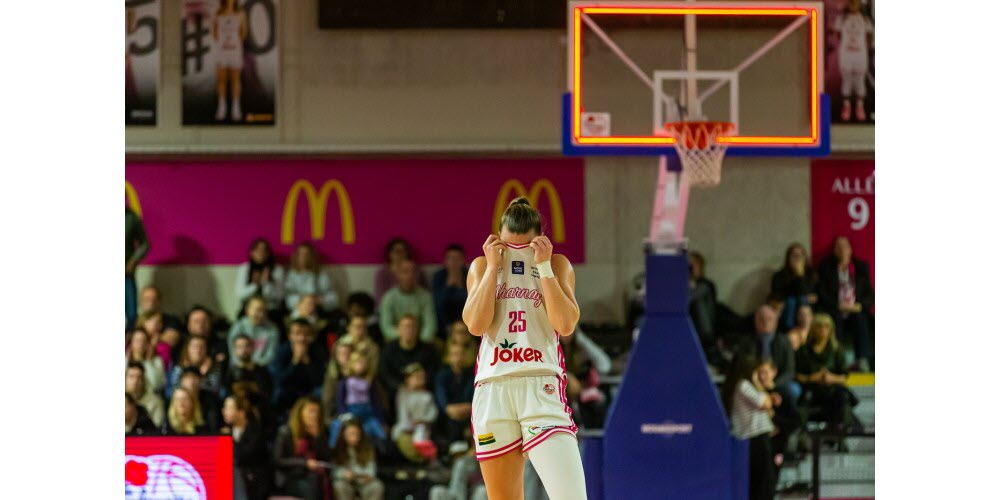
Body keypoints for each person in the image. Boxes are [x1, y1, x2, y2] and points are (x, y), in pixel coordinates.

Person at [463, 198, 586, 500]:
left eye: (525, 247)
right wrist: (493, 268)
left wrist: (542, 266)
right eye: (508, 247)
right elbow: (476, 325)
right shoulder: (482, 265)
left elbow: (566, 324)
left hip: (540, 385)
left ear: (539, 241)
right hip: (494, 388)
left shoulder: (556, 264)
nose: (515, 254)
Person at [722, 353, 777, 500]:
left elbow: (769, 411)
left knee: (764, 480)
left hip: (759, 437)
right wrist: (761, 386)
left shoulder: (743, 386)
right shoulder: (743, 385)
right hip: (754, 438)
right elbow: (764, 403)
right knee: (763, 481)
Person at [817, 236, 874, 371]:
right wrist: (838, 305)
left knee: (860, 319)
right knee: (833, 320)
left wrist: (859, 306)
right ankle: (839, 360)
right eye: (838, 247)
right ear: (834, 251)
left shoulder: (860, 267)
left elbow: (869, 293)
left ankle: (862, 360)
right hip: (836, 308)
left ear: (850, 249)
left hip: (855, 309)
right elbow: (822, 293)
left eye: (845, 246)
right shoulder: (826, 267)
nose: (842, 250)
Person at [796, 313, 859, 434]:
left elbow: (844, 376)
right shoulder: (804, 350)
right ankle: (803, 436)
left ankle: (840, 434)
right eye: (819, 327)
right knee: (804, 399)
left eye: (826, 327)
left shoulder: (836, 349)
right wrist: (812, 378)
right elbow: (796, 375)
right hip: (811, 388)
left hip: (832, 388)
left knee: (842, 397)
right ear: (813, 329)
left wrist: (831, 378)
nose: (822, 330)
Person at [273, 396, 334, 500]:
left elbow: (327, 458)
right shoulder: (286, 432)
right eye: (311, 411)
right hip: (292, 475)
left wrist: (318, 438)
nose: (314, 415)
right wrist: (305, 463)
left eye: (317, 412)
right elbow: (278, 460)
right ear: (300, 412)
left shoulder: (322, 431)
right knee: (312, 482)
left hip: (317, 475)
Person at [271, 320, 326, 417]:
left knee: (320, 391)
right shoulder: (282, 351)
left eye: (306, 334)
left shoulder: (317, 350)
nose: (302, 338)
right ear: (290, 336)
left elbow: (319, 380)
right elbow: (280, 380)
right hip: (289, 389)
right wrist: (295, 362)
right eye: (297, 333)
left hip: (309, 389)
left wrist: (307, 361)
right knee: (278, 392)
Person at [331, 352, 387, 446]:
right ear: (351, 364)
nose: (361, 365)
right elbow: (340, 399)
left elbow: (375, 401)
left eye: (363, 362)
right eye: (358, 362)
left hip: (367, 412)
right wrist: (343, 413)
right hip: (351, 411)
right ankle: (333, 449)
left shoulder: (369, 381)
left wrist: (381, 420)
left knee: (377, 430)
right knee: (337, 426)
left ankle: (381, 452)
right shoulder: (346, 380)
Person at [222, 395, 271, 500]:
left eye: (229, 408)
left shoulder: (256, 432)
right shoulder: (226, 431)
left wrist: (229, 440)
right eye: (224, 407)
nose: (224, 411)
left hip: (254, 482)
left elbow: (242, 457)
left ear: (241, 412)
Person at [379, 315, 439, 399]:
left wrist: (420, 384)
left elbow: (433, 372)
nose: (408, 330)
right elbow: (385, 374)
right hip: (396, 393)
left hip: (423, 391)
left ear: (417, 330)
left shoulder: (428, 350)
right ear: (398, 329)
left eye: (412, 326)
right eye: (405, 327)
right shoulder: (389, 350)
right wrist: (401, 387)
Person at [379, 260, 437, 343]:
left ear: (417, 275)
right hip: (396, 342)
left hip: (421, 342)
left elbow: (430, 325)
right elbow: (386, 327)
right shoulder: (388, 297)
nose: (410, 276)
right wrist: (406, 337)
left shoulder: (426, 297)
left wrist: (419, 341)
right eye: (405, 272)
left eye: (413, 272)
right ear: (398, 275)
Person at [392, 363, 439, 464]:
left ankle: (427, 458)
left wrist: (424, 420)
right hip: (407, 427)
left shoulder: (427, 395)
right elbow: (402, 413)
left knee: (422, 438)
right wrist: (408, 427)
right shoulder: (403, 394)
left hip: (423, 426)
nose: (420, 380)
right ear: (408, 379)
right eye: (416, 377)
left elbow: (433, 412)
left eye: (422, 377)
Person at [835, 0, 874, 122]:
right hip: (846, 55)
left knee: (859, 81)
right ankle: (846, 107)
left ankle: (859, 107)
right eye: (851, 2)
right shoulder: (841, 19)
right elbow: (838, 34)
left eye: (855, 2)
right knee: (846, 80)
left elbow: (869, 36)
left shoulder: (865, 20)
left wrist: (861, 48)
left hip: (860, 55)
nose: (853, 5)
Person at [332, 419, 386, 500]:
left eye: (356, 434)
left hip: (364, 483)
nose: (354, 437)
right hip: (346, 483)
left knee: (377, 486)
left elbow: (371, 471)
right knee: (338, 485)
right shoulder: (338, 449)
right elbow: (334, 471)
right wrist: (344, 474)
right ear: (343, 434)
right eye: (350, 434)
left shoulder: (367, 448)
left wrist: (360, 475)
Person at [770, 243, 819, 332]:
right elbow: (776, 295)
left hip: (808, 309)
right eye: (794, 256)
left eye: (800, 255)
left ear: (805, 258)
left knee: (802, 299)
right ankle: (791, 330)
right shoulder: (779, 276)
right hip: (787, 308)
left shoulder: (812, 275)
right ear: (788, 258)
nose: (797, 259)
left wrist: (799, 274)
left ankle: (801, 332)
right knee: (793, 300)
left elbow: (814, 295)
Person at [212, 0, 247, 121]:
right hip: (221, 51)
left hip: (235, 51)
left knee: (235, 79)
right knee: (221, 80)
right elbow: (214, 32)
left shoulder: (241, 13)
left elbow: (243, 33)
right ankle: (222, 106)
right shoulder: (218, 13)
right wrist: (223, 43)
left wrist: (234, 43)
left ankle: (236, 107)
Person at [235, 238, 286, 320]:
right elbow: (240, 295)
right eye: (257, 250)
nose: (261, 253)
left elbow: (280, 296)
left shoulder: (277, 270)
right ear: (252, 253)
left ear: (268, 254)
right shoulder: (244, 269)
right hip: (249, 309)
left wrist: (267, 283)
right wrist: (255, 285)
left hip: (270, 309)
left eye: (264, 250)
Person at [436, 342, 475, 444]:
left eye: (461, 354)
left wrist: (468, 407)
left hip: (469, 414)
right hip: (448, 418)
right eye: (455, 354)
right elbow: (444, 404)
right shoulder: (442, 376)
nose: (458, 358)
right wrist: (451, 409)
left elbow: (474, 400)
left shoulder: (472, 375)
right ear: (448, 357)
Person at [284, 242, 340, 313]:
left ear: (312, 257)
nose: (303, 257)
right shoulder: (291, 275)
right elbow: (288, 298)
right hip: (299, 310)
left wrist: (319, 300)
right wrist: (304, 300)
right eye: (301, 254)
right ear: (296, 256)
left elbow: (334, 299)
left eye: (307, 254)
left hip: (319, 310)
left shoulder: (321, 274)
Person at [228, 296, 280, 368]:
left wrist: (255, 365)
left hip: (262, 367)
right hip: (239, 365)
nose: (261, 314)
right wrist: (243, 364)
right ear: (248, 310)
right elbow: (232, 350)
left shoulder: (272, 329)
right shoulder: (238, 326)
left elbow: (271, 354)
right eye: (258, 310)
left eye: (264, 311)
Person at [223, 333, 274, 406]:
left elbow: (267, 394)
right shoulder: (231, 372)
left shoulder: (262, 371)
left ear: (253, 348)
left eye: (247, 346)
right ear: (234, 350)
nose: (243, 350)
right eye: (239, 347)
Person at [688, 251, 721, 363]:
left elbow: (688, 298)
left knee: (698, 303)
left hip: (705, 332)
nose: (691, 269)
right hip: (688, 327)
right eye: (688, 266)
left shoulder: (705, 284)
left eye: (694, 265)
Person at [375, 238, 428, 303]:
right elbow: (380, 299)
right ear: (390, 254)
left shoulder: (417, 270)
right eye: (397, 251)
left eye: (404, 251)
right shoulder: (383, 273)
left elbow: (425, 293)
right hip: (390, 308)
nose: (401, 254)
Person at [432, 244, 469, 338]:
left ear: (463, 261)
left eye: (457, 259)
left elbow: (473, 302)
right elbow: (437, 303)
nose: (454, 262)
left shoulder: (470, 274)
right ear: (445, 261)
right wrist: (449, 287)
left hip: (467, 324)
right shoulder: (439, 277)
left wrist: (460, 289)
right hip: (444, 326)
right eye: (451, 258)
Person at [126, 206, 149, 326]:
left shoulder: (131, 218)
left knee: (131, 314)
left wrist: (133, 260)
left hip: (125, 273)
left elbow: (145, 244)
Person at [125, 329, 167, 396]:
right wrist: (126, 360)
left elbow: (156, 385)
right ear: (131, 343)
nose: (140, 344)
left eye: (143, 341)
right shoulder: (124, 360)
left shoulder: (157, 361)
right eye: (137, 340)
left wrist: (148, 362)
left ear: (148, 344)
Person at [126, 362, 165, 427]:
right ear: (125, 379)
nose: (135, 381)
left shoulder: (156, 402)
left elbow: (157, 429)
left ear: (144, 381)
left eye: (139, 377)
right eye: (131, 376)